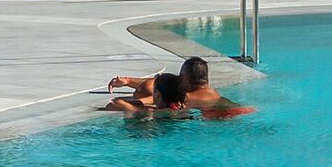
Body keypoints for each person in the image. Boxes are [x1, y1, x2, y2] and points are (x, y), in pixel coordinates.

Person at [102, 54, 252, 120]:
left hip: (222, 118)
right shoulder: (211, 92)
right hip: (242, 111)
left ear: (184, 79)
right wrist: (128, 81)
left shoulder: (187, 96)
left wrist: (127, 104)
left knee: (146, 90)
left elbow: (150, 99)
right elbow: (163, 84)